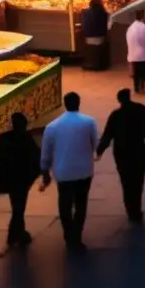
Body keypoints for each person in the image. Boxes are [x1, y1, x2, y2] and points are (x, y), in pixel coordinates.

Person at [40, 92, 98, 250]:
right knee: (81, 204)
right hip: (84, 170)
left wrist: (45, 172)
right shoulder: (89, 122)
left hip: (63, 171)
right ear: (79, 103)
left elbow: (46, 152)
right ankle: (77, 235)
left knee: (64, 204)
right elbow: (95, 144)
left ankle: (68, 233)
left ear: (65, 104)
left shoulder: (52, 126)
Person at [96, 88, 145, 223]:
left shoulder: (115, 115)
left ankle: (130, 211)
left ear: (119, 100)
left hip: (122, 151)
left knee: (126, 181)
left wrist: (100, 150)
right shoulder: (141, 109)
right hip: (138, 149)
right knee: (138, 180)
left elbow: (107, 135)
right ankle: (137, 208)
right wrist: (141, 135)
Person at [0, 112, 41, 247]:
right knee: (19, 207)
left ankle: (20, 233)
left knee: (16, 205)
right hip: (22, 179)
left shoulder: (3, 138)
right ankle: (14, 234)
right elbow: (36, 156)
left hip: (9, 178)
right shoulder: (25, 138)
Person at [126, 9, 145, 94]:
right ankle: (142, 86)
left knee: (136, 73)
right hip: (144, 55)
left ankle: (136, 87)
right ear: (143, 16)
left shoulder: (130, 28)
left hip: (133, 55)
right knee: (143, 71)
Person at [80, 0, 110, 71]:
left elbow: (83, 26)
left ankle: (88, 61)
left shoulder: (85, 12)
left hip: (87, 37)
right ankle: (102, 62)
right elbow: (105, 27)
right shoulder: (103, 13)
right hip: (100, 37)